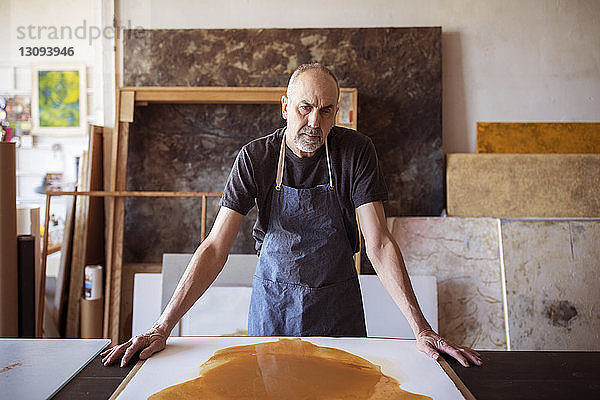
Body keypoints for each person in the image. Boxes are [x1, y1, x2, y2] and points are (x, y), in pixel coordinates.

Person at [102, 63, 482, 368]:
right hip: (272, 309)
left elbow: (379, 243)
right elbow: (216, 247)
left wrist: (421, 329)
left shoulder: (356, 152)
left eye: (326, 110)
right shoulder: (256, 158)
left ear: (337, 111)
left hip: (338, 310)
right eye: (305, 107)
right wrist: (162, 326)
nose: (315, 122)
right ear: (285, 106)